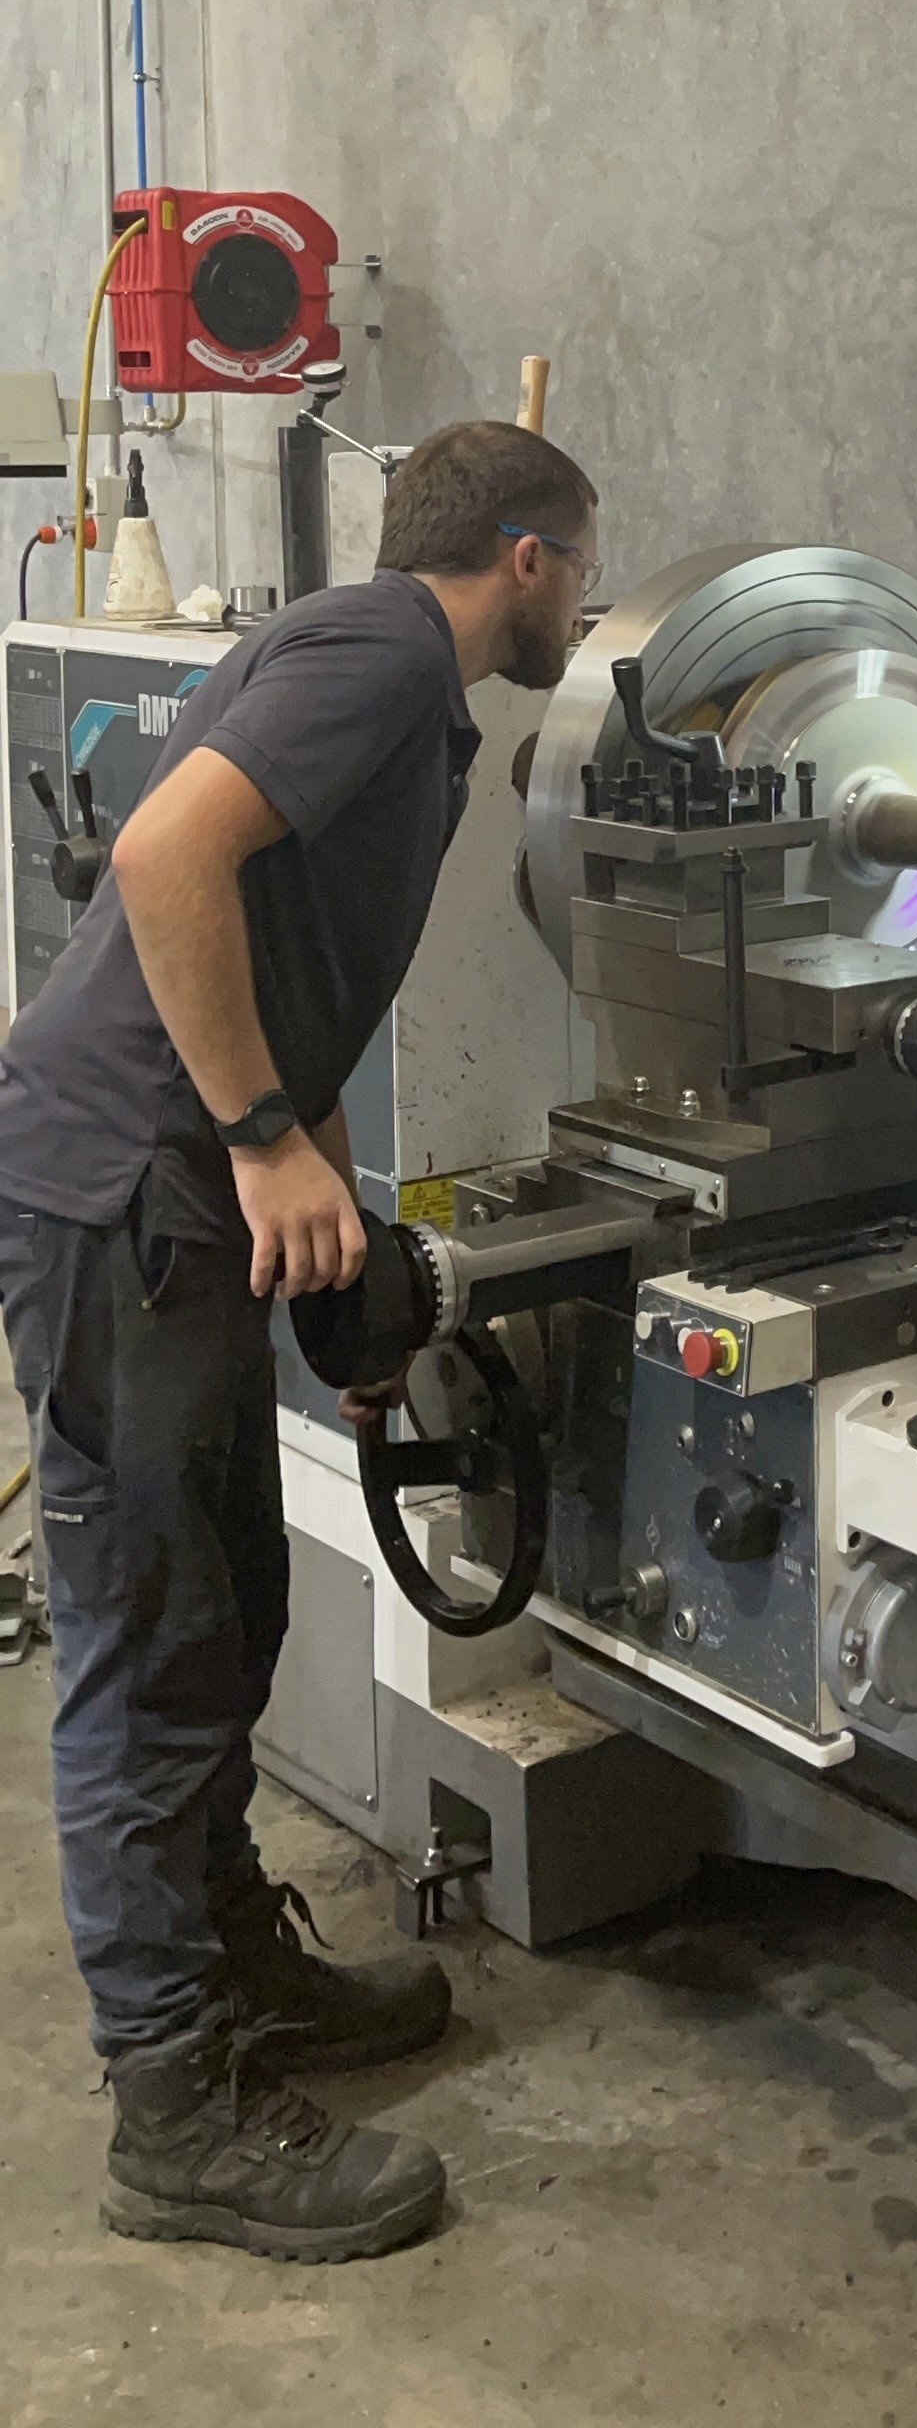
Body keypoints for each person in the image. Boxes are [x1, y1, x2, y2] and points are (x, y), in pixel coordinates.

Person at [0, 417, 599, 2261]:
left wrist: (337, 1253)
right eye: (581, 562)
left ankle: (233, 1970)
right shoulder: (386, 654)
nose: (579, 592)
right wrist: (261, 1142)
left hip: (189, 1198)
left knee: (233, 1602)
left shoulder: (382, 684)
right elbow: (171, 858)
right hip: (131, 1196)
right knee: (154, 1646)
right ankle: (173, 2108)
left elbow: (286, 978)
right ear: (527, 557)